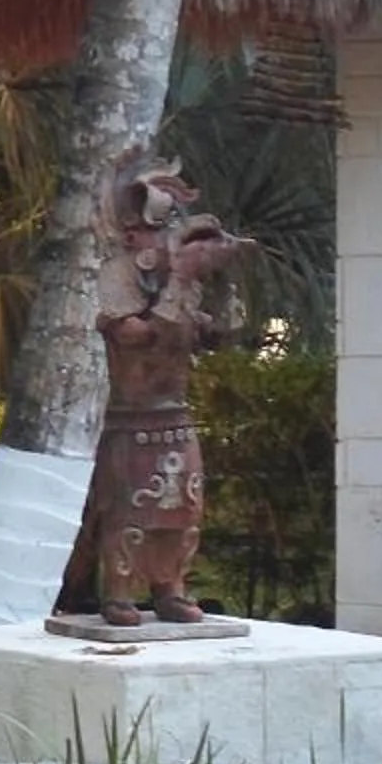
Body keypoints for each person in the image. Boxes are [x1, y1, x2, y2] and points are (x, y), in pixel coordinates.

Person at [88, 151, 252, 627]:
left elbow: (220, 333)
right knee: (129, 511)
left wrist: (222, 281)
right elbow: (137, 335)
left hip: (176, 417)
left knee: (183, 507)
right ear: (131, 234)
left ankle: (170, 588)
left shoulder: (181, 282)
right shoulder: (118, 276)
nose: (165, 239)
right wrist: (180, 281)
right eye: (158, 229)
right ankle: (119, 592)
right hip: (130, 422)